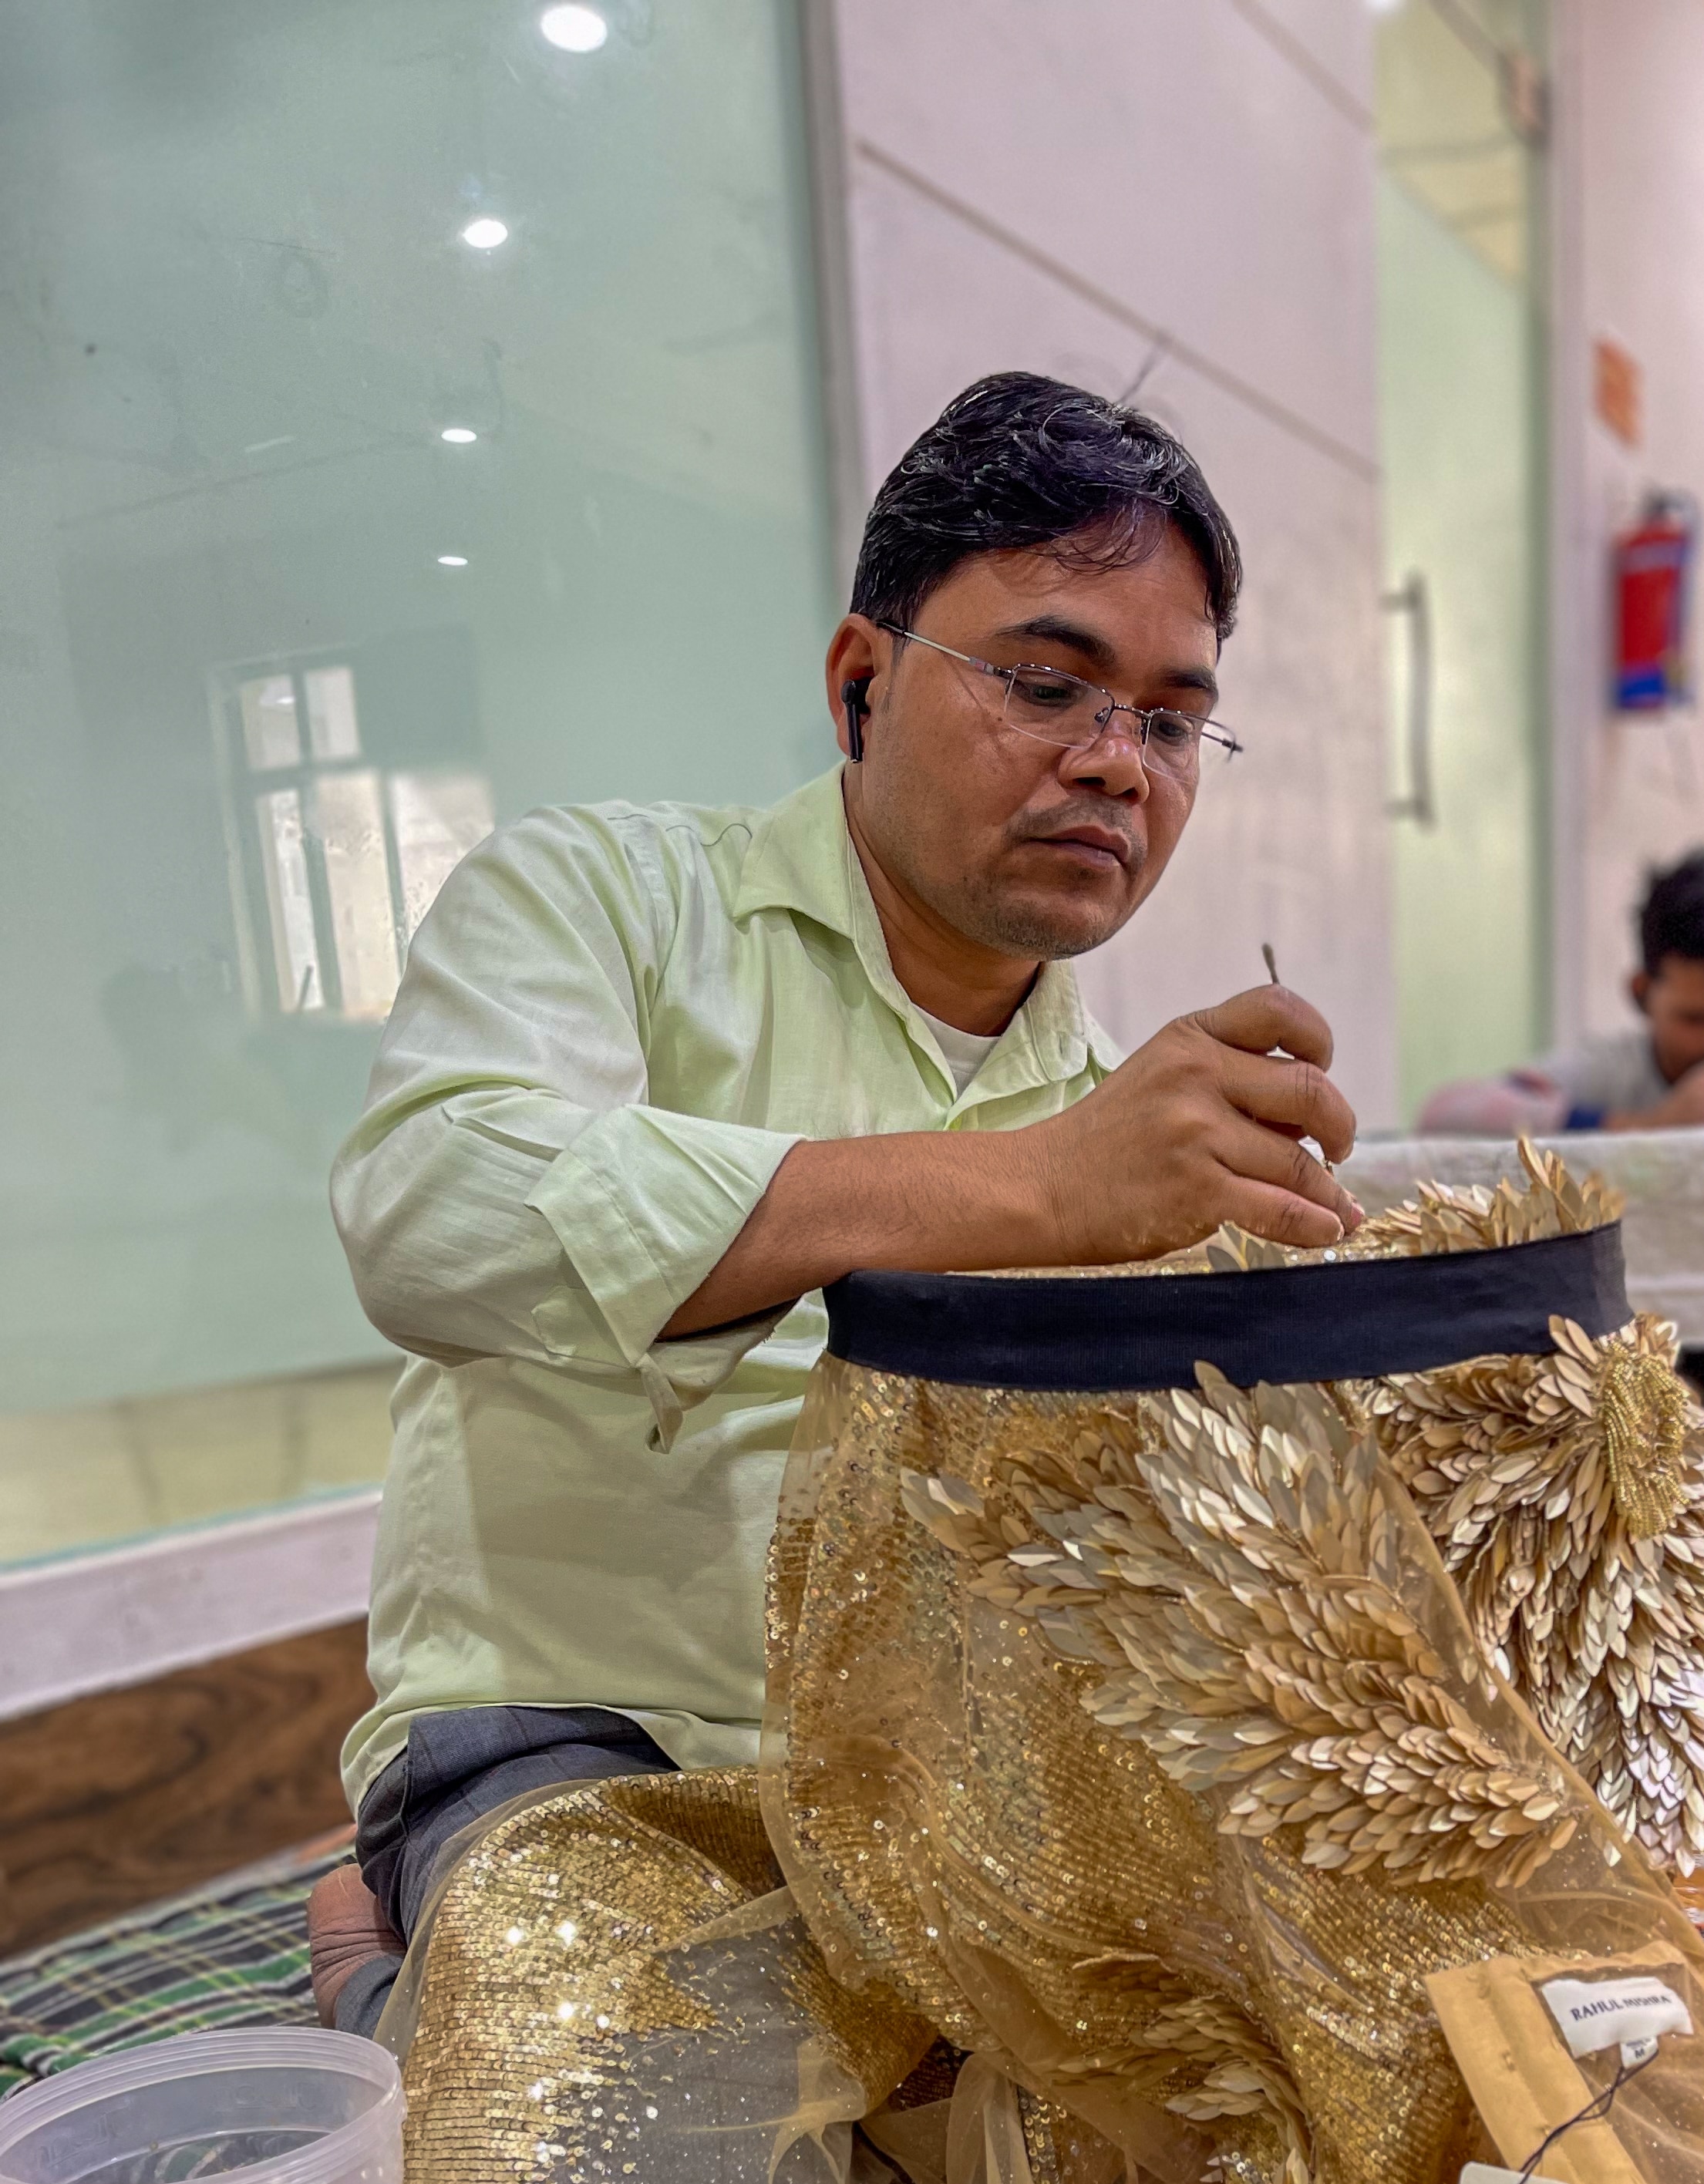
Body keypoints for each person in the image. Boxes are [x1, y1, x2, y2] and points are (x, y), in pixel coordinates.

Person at [305, 371, 1363, 2030]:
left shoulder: (1128, 1122)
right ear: (861, 682)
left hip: (935, 1765)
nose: (1115, 765)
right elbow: (428, 1214)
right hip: (586, 1728)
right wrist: (1030, 1192)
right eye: (1045, 681)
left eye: (1169, 719)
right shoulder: (607, 899)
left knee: (1293, 2019)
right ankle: (388, 1967)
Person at [1413, 846, 1704, 1136]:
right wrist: (1654, 1127)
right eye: (1696, 1019)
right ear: (1641, 994)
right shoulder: (1613, 1071)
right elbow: (1445, 1114)